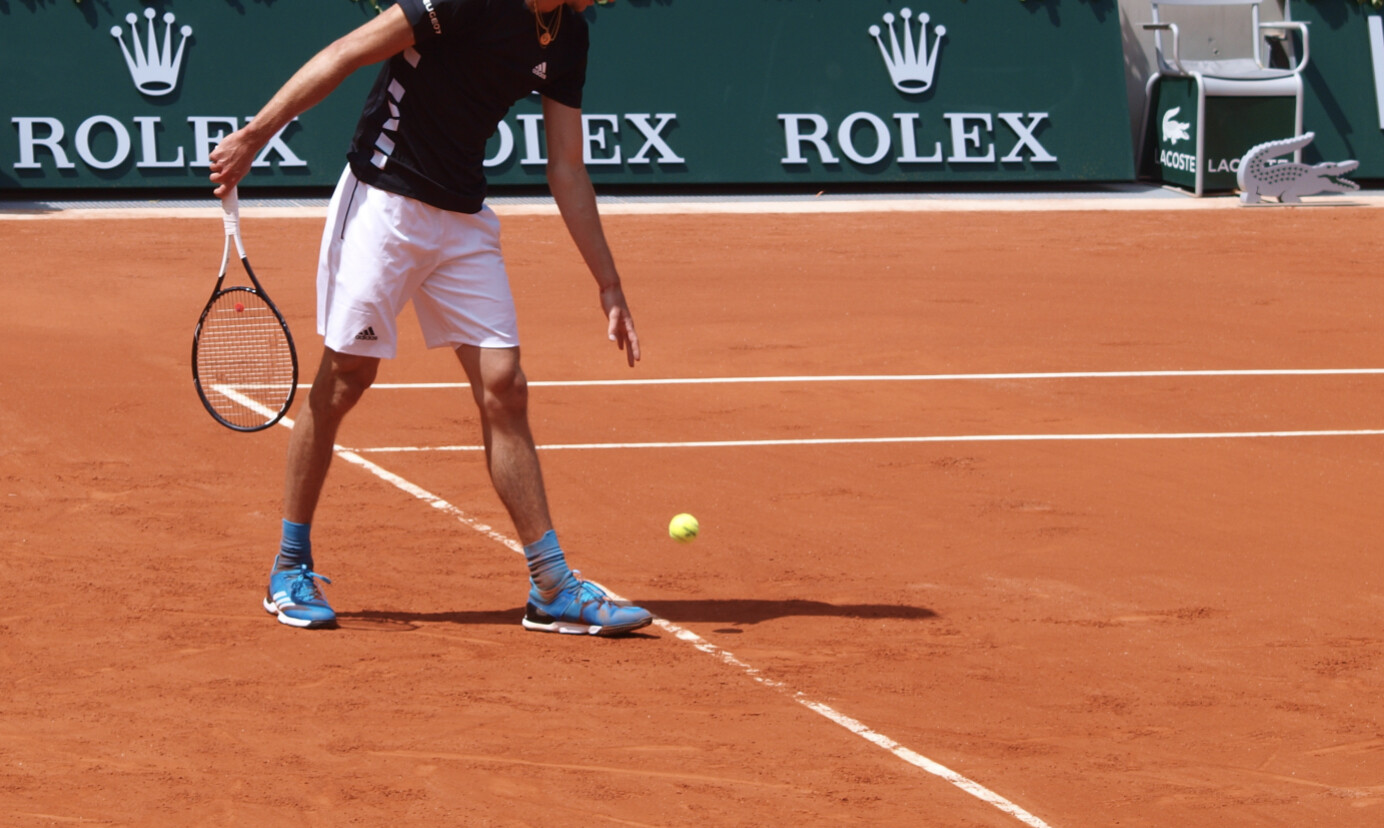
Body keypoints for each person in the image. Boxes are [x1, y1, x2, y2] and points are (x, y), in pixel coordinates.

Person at [208, 0, 653, 636]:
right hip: (383, 203)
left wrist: (608, 283)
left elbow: (565, 166)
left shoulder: (568, 35)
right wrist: (256, 136)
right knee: (344, 381)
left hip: (462, 219)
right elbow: (345, 53)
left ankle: (552, 586)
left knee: (505, 386)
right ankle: (290, 565)